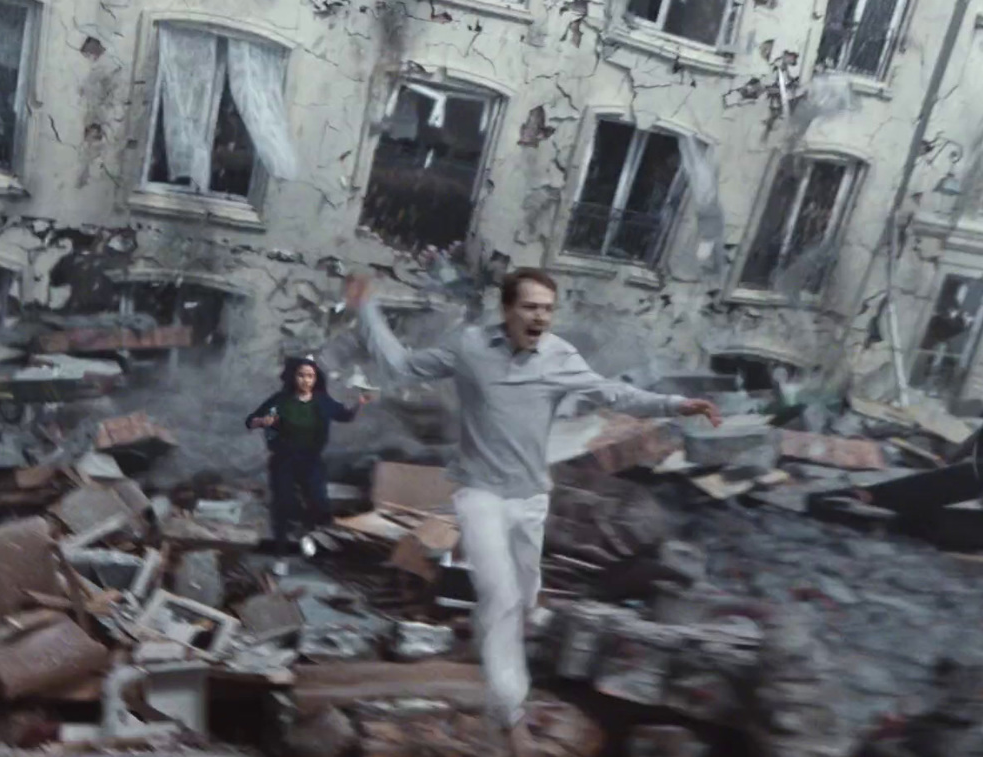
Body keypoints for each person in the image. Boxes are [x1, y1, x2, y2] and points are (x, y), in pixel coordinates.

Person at [345, 268, 720, 755]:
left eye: (547, 308)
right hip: (481, 497)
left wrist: (677, 404)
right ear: (507, 311)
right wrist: (366, 310)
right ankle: (513, 722)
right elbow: (400, 366)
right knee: (500, 602)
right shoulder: (471, 348)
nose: (539, 316)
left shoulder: (560, 357)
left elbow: (614, 394)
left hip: (530, 500)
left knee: (523, 605)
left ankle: (485, 658)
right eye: (530, 307)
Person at [245, 357, 369, 572]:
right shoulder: (280, 401)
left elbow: (345, 416)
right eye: (301, 375)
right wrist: (262, 422)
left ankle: (307, 534)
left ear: (315, 379)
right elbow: (251, 421)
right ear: (293, 377)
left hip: (311, 459)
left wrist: (360, 403)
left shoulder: (322, 401)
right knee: (283, 504)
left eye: (310, 376)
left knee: (319, 502)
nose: (305, 380)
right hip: (283, 459)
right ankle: (281, 555)